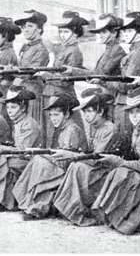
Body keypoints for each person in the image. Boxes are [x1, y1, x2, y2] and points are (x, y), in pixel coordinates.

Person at [91, 87, 140, 235]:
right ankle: (113, 215)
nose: (133, 116)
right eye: (131, 112)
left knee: (122, 173)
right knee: (118, 173)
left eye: (138, 112)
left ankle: (123, 219)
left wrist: (118, 161)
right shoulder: (137, 130)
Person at [52, 88, 123, 226]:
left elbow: (98, 157)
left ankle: (74, 210)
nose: (85, 116)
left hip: (107, 171)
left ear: (101, 111)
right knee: (75, 166)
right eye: (84, 112)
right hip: (96, 168)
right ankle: (69, 207)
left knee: (77, 167)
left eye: (89, 111)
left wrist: (73, 155)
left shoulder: (109, 129)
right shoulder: (93, 126)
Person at [13, 93, 88, 221]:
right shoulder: (64, 129)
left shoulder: (72, 130)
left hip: (71, 171)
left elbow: (67, 159)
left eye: (56, 115)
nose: (53, 118)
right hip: (63, 167)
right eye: (51, 115)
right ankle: (30, 203)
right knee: (38, 161)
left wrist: (46, 156)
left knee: (41, 164)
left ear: (67, 114)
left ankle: (37, 208)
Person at [95, 11, 140, 154]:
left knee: (125, 145)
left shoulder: (138, 54)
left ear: (139, 33)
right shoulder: (133, 52)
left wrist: (103, 81)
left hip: (128, 103)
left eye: (130, 30)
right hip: (122, 103)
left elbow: (126, 84)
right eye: (125, 30)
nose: (125, 34)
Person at [35, 11, 88, 147]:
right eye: (61, 32)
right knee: (52, 131)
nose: (62, 35)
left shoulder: (74, 52)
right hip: (53, 94)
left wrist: (44, 74)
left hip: (62, 96)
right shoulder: (64, 49)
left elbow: (65, 79)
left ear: (75, 33)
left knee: (61, 132)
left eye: (66, 32)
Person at [13, 10, 50, 137]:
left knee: (33, 129)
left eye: (30, 26)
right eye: (23, 27)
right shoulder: (26, 47)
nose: (25, 30)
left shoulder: (41, 49)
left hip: (34, 94)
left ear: (39, 29)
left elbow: (31, 71)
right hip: (23, 93)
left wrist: (16, 74)